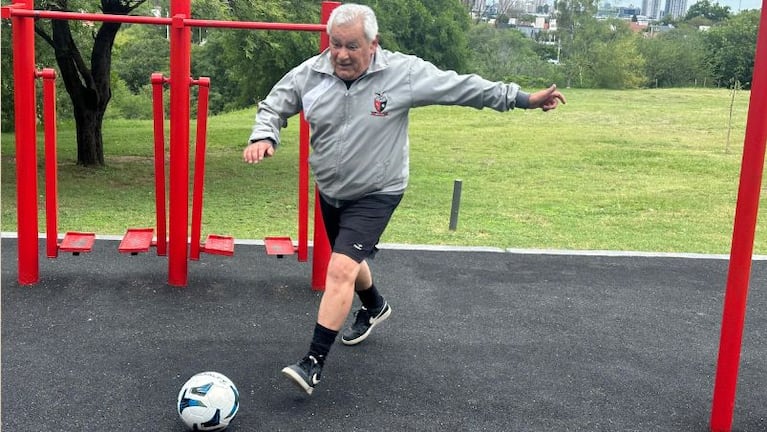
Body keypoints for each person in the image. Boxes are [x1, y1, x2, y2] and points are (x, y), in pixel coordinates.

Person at [243, 3, 566, 396]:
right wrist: (264, 135)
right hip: (331, 188)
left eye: (353, 46)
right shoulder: (310, 73)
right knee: (349, 260)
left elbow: (462, 87)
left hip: (379, 190)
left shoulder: (403, 74)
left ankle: (312, 363)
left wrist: (521, 99)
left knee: (341, 268)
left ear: (374, 44)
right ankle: (375, 306)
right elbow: (274, 105)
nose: (342, 54)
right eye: (336, 45)